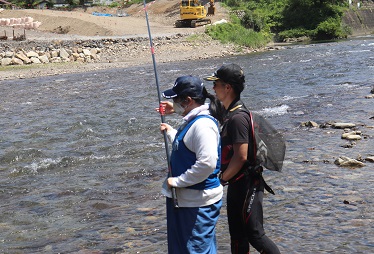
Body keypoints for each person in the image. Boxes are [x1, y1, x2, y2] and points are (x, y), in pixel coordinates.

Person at [204, 63, 281, 254]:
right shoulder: (229, 112)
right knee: (238, 236)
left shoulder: (238, 118)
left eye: (216, 84)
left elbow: (241, 157)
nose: (213, 88)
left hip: (247, 184)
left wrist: (220, 180)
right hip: (237, 184)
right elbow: (209, 104)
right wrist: (177, 107)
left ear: (227, 87)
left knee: (255, 234)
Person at [157, 75, 224, 254]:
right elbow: (187, 146)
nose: (174, 104)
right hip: (189, 201)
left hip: (197, 203)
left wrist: (177, 181)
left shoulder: (203, 126)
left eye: (176, 99)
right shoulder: (193, 120)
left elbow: (207, 164)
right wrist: (171, 133)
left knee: (194, 251)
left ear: (187, 101)